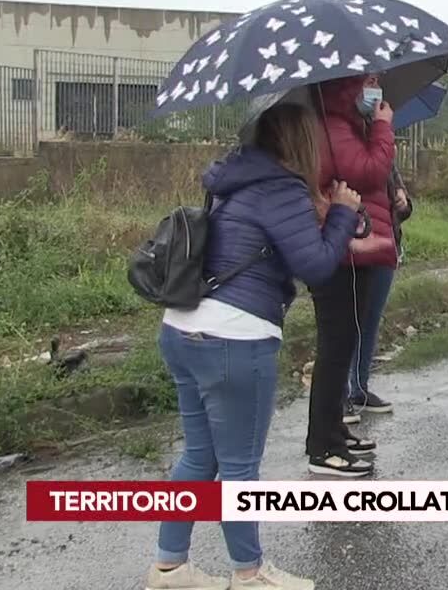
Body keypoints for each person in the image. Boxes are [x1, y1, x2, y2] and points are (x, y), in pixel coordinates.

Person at [145, 101, 383, 590]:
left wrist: (331, 215)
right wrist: (340, 212)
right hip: (234, 338)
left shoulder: (230, 182)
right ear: (299, 140)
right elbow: (316, 267)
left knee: (199, 457)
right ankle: (249, 575)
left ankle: (169, 566)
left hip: (182, 328)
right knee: (237, 466)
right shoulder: (279, 189)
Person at [304, 74, 398, 476]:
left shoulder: (343, 121)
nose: (374, 88)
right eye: (368, 80)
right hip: (338, 249)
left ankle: (335, 432)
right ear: (347, 86)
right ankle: (323, 447)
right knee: (335, 346)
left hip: (353, 248)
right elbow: (367, 172)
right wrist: (382, 127)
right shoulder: (333, 124)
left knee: (343, 345)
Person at [343, 158, 412, 422]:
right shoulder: (347, 151)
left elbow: (401, 207)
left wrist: (403, 203)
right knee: (348, 323)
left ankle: (360, 388)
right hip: (355, 245)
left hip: (386, 245)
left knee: (370, 322)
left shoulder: (387, 159)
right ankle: (340, 397)